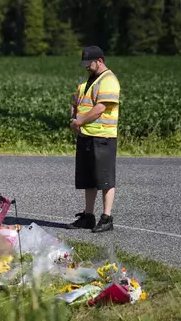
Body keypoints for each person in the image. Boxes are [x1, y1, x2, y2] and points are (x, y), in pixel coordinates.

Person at [66, 45, 120, 233]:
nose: (87, 67)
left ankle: (107, 218)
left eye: (89, 63)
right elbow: (76, 101)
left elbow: (100, 108)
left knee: (104, 179)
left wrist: (79, 121)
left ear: (100, 61)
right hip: (85, 135)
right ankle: (88, 216)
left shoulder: (109, 80)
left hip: (102, 136)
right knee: (88, 179)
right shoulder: (87, 80)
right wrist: (74, 118)